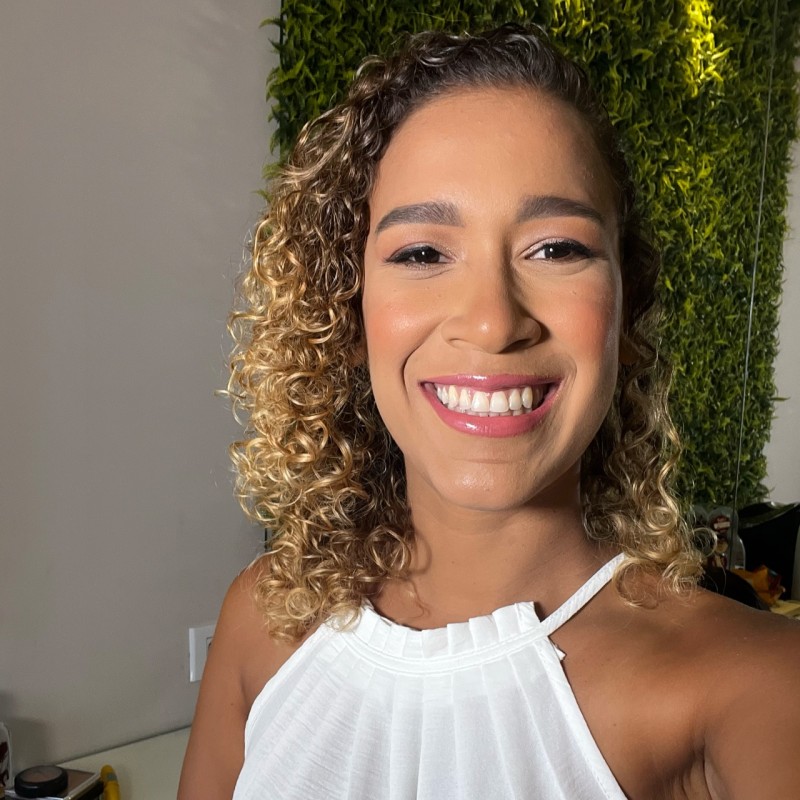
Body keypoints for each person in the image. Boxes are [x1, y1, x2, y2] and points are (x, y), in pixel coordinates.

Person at [179, 25, 800, 800]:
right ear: (348, 309)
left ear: (625, 310)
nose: (493, 321)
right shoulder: (264, 618)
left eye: (555, 249)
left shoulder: (756, 686)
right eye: (422, 254)